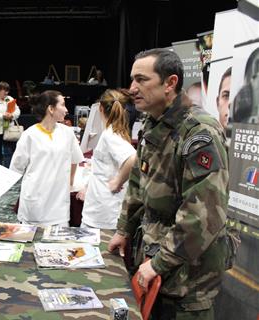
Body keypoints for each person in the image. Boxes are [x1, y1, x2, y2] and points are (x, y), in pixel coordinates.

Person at [108, 48, 229, 319]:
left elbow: (203, 214)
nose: (132, 88)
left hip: (187, 278)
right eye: (132, 80)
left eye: (142, 80)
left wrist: (159, 264)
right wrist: (124, 230)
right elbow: (139, 184)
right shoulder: (153, 123)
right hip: (155, 261)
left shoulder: (199, 132)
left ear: (170, 83)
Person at [10, 90, 84, 226]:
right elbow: (16, 169)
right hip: (34, 206)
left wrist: (68, 183)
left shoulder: (67, 133)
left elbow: (75, 160)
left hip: (59, 209)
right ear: (51, 108)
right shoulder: (29, 135)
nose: (67, 110)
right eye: (63, 105)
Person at [76, 89, 137, 230]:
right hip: (103, 209)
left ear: (101, 109)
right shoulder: (114, 133)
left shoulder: (110, 135)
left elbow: (133, 158)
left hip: (103, 213)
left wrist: (117, 181)